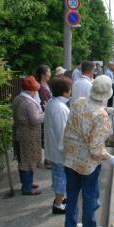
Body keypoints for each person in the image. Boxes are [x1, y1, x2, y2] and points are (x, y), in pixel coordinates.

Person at [62, 75, 114, 227]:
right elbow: (96, 149)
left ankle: (69, 226)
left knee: (71, 193)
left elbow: (83, 116)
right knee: (89, 195)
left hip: (70, 156)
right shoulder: (101, 116)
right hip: (87, 163)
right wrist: (111, 158)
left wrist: (105, 111)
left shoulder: (78, 102)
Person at [12, 76, 45, 195]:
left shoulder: (18, 98)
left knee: (23, 158)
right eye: (35, 90)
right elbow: (35, 119)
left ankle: (27, 183)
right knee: (27, 160)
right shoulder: (28, 103)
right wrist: (45, 114)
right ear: (31, 90)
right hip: (28, 135)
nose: (36, 92)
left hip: (20, 133)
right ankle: (27, 187)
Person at [44, 76, 72, 214]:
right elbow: (63, 132)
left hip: (53, 147)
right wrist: (66, 150)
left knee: (57, 175)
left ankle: (59, 199)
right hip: (59, 149)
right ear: (65, 92)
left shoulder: (51, 102)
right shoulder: (60, 108)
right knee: (61, 176)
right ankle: (58, 204)